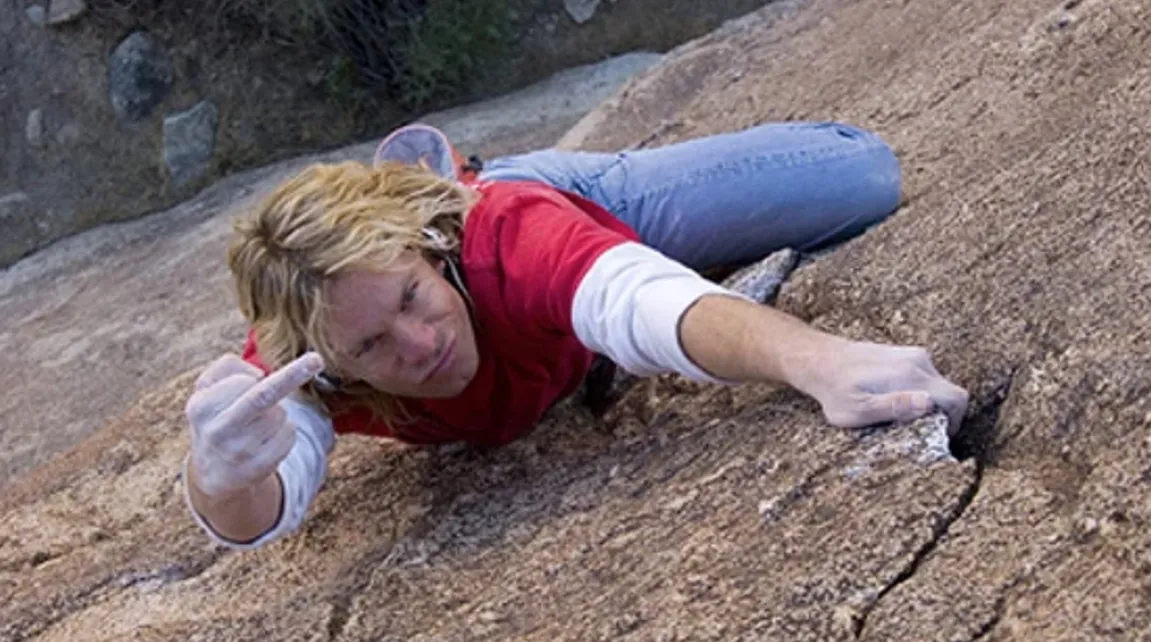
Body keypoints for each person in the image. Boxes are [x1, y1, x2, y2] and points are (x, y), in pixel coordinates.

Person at [183, 121, 969, 549]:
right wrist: (218, 478)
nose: (418, 345)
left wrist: (819, 360)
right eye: (372, 347)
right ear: (331, 357)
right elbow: (265, 504)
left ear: (426, 248)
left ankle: (504, 182)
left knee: (859, 175)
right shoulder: (302, 366)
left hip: (547, 199)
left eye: (413, 297)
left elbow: (639, 303)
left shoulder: (503, 244)